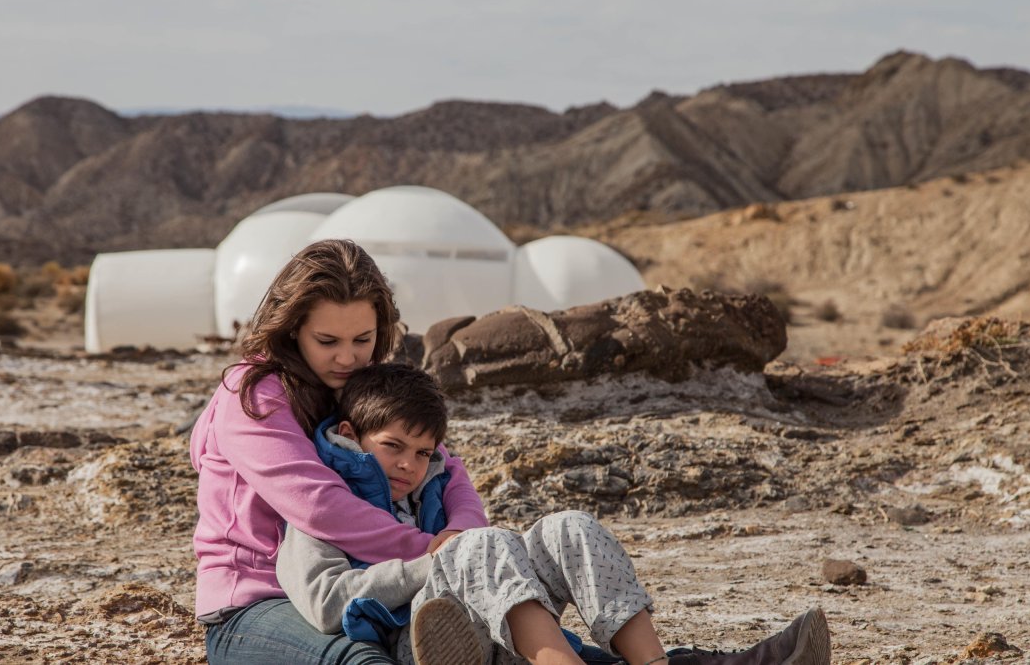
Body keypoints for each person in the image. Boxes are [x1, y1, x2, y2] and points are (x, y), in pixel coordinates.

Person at [277, 363, 833, 665]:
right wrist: (432, 559)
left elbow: (483, 549)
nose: (408, 465)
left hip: (492, 620)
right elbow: (325, 603)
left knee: (566, 526)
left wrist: (466, 546)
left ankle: (651, 662)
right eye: (393, 446)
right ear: (350, 434)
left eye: (422, 453)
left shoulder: (434, 488)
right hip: (411, 631)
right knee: (480, 543)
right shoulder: (320, 501)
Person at [192, 239, 490, 665]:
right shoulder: (255, 395)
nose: (347, 357)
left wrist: (463, 537)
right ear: (293, 328)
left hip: (365, 587)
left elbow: (446, 468)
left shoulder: (360, 384)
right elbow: (319, 506)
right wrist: (433, 554)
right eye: (327, 340)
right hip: (256, 602)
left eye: (362, 339)